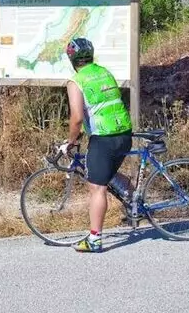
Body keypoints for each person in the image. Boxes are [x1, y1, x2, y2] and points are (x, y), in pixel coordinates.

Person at [59, 37, 133, 253]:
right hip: (124, 133)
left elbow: (76, 118)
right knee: (106, 173)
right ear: (91, 55)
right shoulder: (104, 72)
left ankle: (94, 240)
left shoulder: (76, 81)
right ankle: (135, 205)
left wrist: (71, 141)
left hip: (104, 136)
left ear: (72, 59)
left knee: (96, 187)